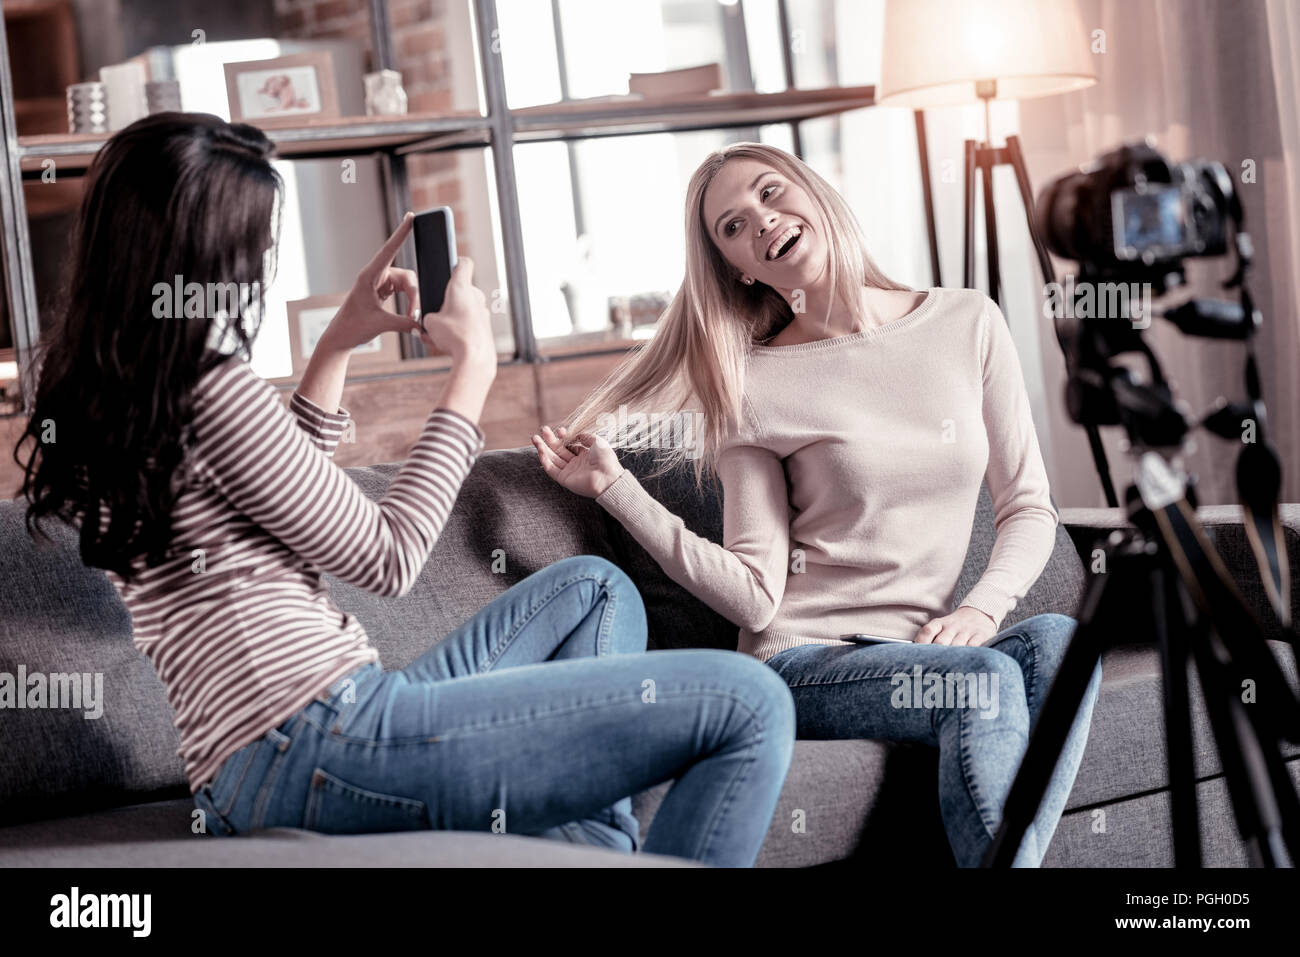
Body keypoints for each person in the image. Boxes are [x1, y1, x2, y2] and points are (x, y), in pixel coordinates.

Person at [12, 114, 796, 868]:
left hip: (255, 764)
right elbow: (388, 558)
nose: (254, 264)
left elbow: (277, 491)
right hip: (320, 738)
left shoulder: (108, 389)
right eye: (249, 241)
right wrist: (471, 375)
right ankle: (590, 841)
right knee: (750, 703)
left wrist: (339, 340)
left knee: (595, 590)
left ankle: (585, 841)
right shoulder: (208, 385)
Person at [533, 141, 1103, 867]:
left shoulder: (968, 322)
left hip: (914, 648)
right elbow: (755, 596)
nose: (762, 222)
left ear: (814, 191)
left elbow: (1028, 505)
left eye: (771, 194)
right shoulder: (756, 386)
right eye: (733, 227)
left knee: (1061, 639)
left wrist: (980, 609)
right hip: (805, 663)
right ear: (738, 268)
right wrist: (619, 491)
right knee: (985, 680)